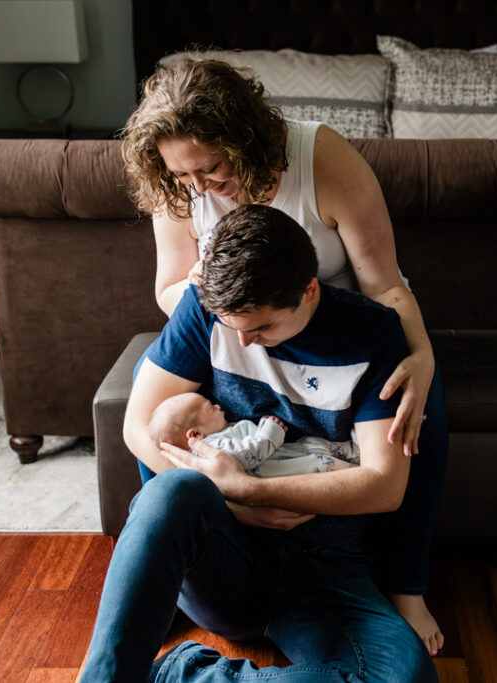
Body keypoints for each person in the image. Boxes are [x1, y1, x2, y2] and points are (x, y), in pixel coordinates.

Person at [121, 57, 449, 654]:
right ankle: (174, 566)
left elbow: (384, 284)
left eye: (211, 168)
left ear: (244, 137)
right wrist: (214, 310)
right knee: (170, 418)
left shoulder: (321, 159)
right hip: (233, 319)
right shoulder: (181, 184)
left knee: (416, 407)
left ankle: (406, 584)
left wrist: (420, 352)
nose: (197, 187)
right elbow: (171, 287)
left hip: (342, 327)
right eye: (182, 176)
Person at [81, 205, 437, 681]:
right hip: (224, 562)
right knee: (172, 491)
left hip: (327, 571)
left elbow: (383, 485)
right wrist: (236, 507)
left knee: (405, 677)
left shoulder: (372, 334)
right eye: (233, 328)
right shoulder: (203, 310)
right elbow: (139, 428)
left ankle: (178, 675)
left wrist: (254, 491)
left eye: (262, 328)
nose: (245, 343)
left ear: (308, 291)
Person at [148, 391, 360, 477]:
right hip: (292, 468)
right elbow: (243, 457)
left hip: (289, 453)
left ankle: (358, 450)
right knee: (327, 464)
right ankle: (359, 468)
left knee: (316, 444)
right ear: (196, 434)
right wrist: (270, 433)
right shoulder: (210, 451)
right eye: (210, 408)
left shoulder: (217, 436)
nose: (218, 405)